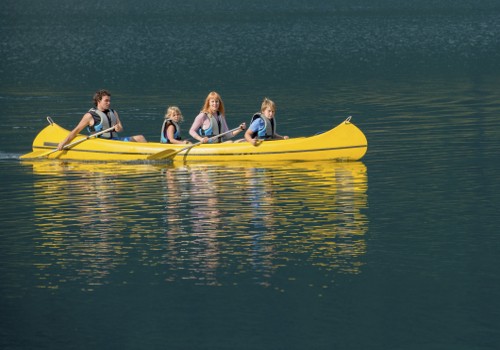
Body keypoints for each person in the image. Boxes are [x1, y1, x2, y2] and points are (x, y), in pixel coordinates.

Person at [57, 89, 146, 150]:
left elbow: (120, 128)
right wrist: (63, 143)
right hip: (101, 144)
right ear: (98, 101)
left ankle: (152, 153)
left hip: (115, 141)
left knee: (140, 138)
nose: (109, 103)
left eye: (109, 101)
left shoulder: (113, 112)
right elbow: (76, 131)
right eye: (106, 101)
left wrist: (118, 128)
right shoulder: (90, 116)